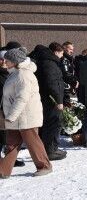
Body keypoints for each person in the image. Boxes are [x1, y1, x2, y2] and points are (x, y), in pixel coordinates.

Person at [0, 47, 52, 177]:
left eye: (7, 60)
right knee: (11, 144)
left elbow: (22, 98)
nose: (4, 62)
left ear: (15, 61)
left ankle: (45, 166)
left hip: (25, 117)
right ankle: (3, 170)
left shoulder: (24, 75)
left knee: (33, 143)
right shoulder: (15, 73)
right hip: (15, 117)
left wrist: (11, 116)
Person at [29, 43, 67, 160]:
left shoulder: (43, 60)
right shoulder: (49, 63)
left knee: (47, 123)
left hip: (43, 97)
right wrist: (58, 100)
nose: (61, 56)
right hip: (50, 99)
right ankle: (50, 150)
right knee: (53, 123)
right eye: (61, 53)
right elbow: (52, 83)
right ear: (56, 52)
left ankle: (49, 149)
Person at [0, 48, 25, 169]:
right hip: (2, 109)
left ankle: (9, 159)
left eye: (6, 60)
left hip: (8, 108)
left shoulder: (12, 74)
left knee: (8, 135)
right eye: (1, 60)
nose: (4, 62)